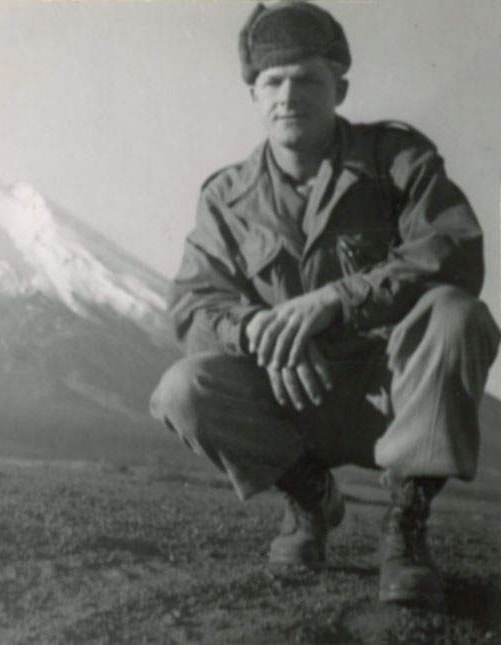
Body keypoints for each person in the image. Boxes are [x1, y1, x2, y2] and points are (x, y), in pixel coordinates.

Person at [148, 0, 500, 607]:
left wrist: (338, 299)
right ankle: (310, 500)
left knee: (457, 315)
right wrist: (261, 331)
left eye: (307, 78)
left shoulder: (397, 162)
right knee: (183, 388)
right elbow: (193, 305)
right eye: (272, 82)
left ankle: (406, 528)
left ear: (339, 86)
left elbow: (455, 252)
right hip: (291, 400)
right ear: (254, 96)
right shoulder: (227, 199)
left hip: (390, 393)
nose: (289, 95)